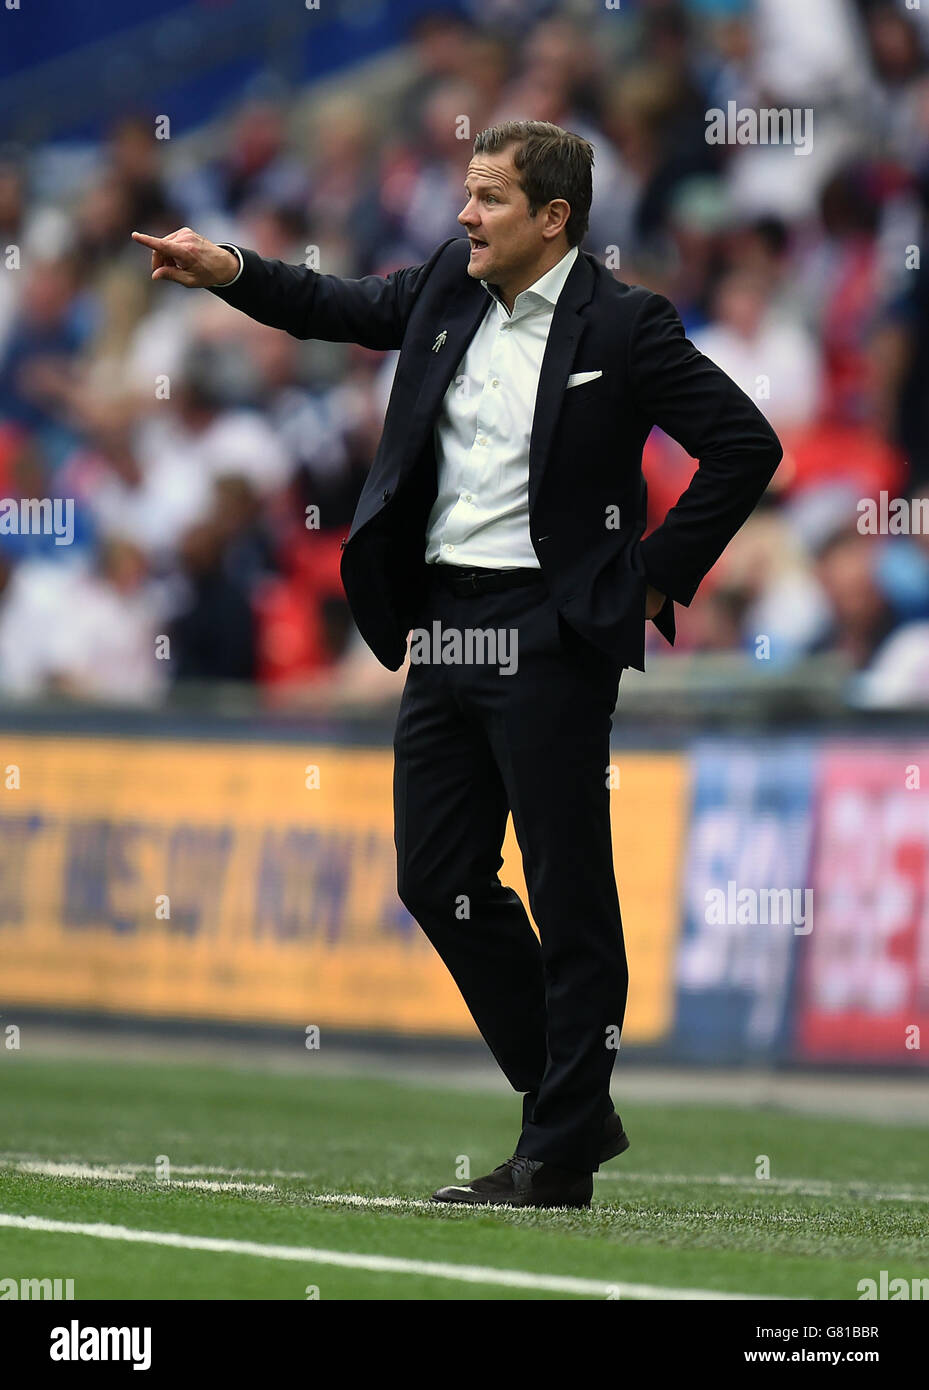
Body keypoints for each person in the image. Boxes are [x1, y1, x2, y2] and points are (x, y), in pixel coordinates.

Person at [132, 120, 782, 1209]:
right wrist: (225, 269)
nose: (462, 215)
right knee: (435, 877)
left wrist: (653, 580)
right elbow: (334, 304)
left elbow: (744, 444)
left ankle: (557, 1151)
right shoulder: (444, 283)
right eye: (464, 194)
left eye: (486, 198)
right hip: (441, 625)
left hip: (548, 631)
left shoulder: (625, 326)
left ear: (552, 219)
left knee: (568, 889)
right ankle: (567, 1106)